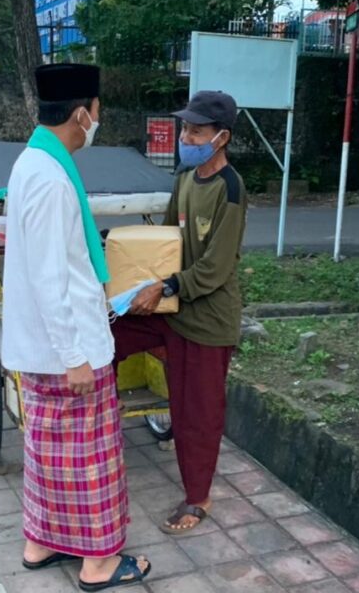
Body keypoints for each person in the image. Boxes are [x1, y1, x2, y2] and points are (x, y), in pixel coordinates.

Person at [1, 63, 151, 591]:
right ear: (82, 113)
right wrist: (74, 355)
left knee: (48, 456)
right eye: (98, 111)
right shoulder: (48, 177)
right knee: (92, 461)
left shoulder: (36, 162)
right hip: (66, 350)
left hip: (46, 349)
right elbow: (48, 277)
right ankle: (99, 563)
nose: (98, 120)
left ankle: (42, 542)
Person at [113, 90, 247, 534]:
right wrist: (130, 272)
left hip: (206, 319)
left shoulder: (230, 189)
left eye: (196, 130)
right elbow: (167, 241)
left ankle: (198, 497)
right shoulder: (186, 177)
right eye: (184, 128)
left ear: (221, 137)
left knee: (197, 414)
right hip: (170, 305)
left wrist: (167, 285)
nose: (185, 136)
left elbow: (215, 268)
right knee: (105, 336)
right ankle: (90, 434)